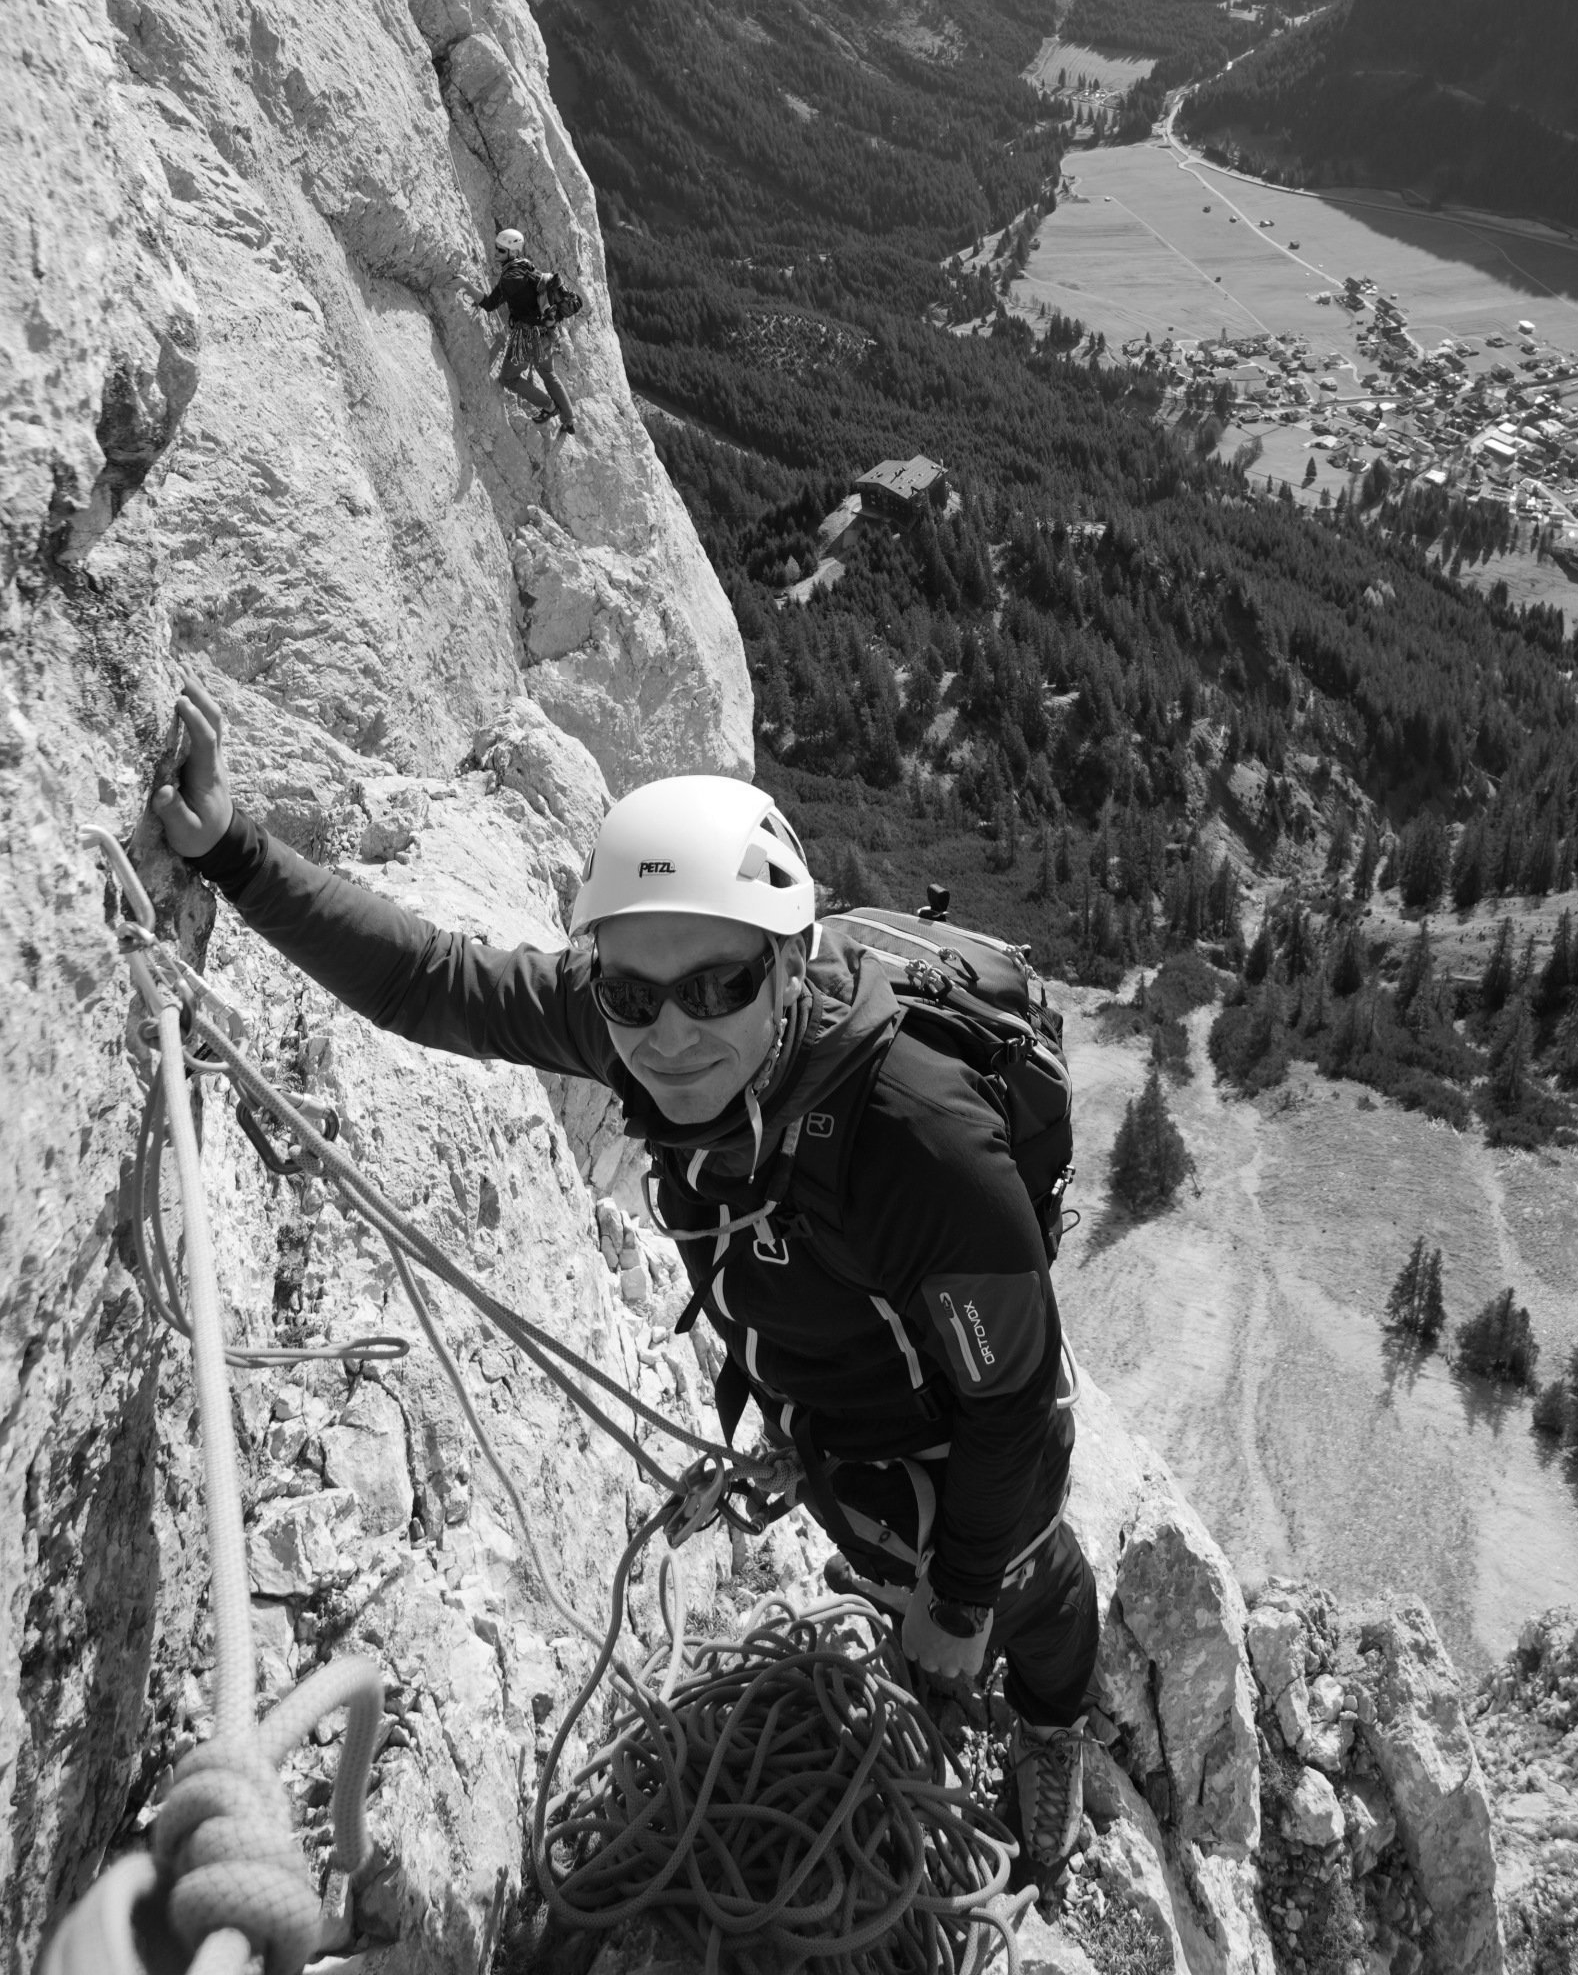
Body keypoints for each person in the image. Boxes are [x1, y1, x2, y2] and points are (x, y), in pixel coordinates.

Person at [153, 682, 1099, 1881]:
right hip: (831, 1415)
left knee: (1027, 1580)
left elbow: (1009, 1406)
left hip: (968, 1428)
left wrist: (965, 1604)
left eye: (719, 987)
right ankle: (941, 1623)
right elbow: (433, 982)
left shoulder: (921, 1140)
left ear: (792, 966)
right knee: (891, 1559)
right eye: (635, 993)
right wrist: (235, 853)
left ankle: (1055, 1714)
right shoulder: (633, 1028)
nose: (673, 1035)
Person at [475, 228, 578, 437]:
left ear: (512, 253)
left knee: (508, 377)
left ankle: (549, 406)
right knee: (549, 375)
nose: (495, 252)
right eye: (496, 248)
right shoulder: (527, 266)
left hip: (527, 337)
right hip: (547, 333)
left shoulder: (511, 278)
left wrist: (466, 285)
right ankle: (569, 419)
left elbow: (489, 303)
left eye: (500, 250)